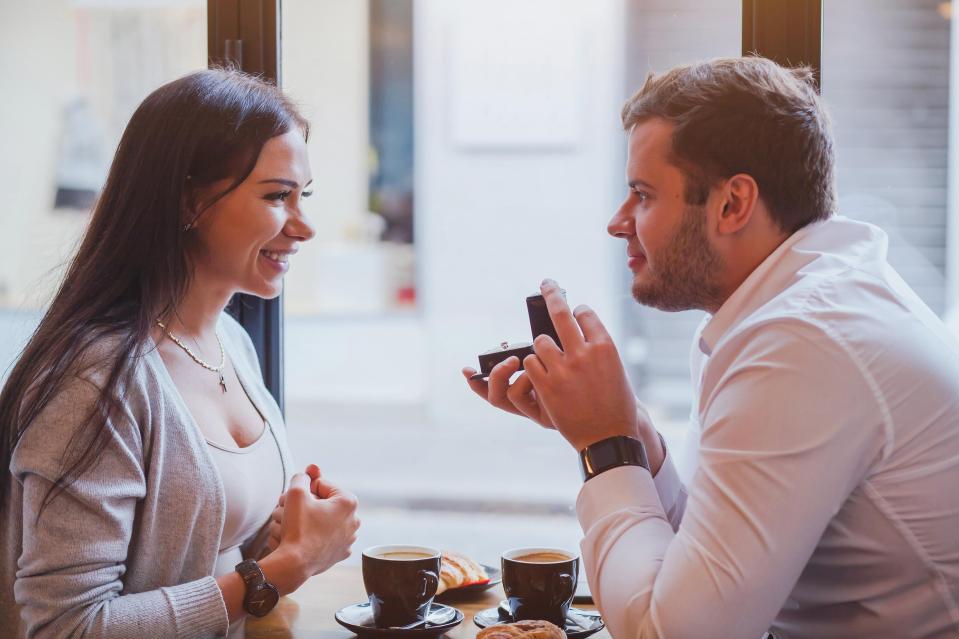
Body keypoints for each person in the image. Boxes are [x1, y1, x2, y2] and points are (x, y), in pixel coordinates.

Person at [464, 57, 959, 638]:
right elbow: (704, 575)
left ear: (732, 204)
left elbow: (674, 633)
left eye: (643, 195)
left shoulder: (802, 343)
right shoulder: (794, 308)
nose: (618, 222)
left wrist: (604, 446)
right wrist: (633, 437)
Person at [0, 69, 360, 638]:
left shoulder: (230, 344)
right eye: (277, 196)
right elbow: (66, 627)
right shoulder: (95, 383)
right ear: (189, 200)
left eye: (303, 197)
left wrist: (281, 538)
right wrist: (286, 567)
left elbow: (209, 556)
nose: (304, 227)